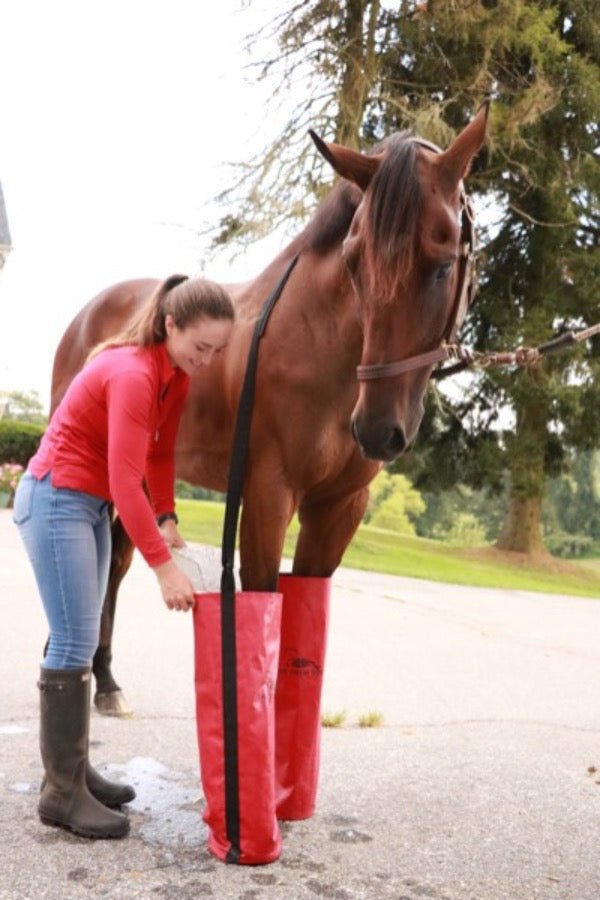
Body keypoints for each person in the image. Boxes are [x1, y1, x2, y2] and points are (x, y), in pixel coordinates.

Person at [12, 274, 234, 839]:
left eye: (217, 351)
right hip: (58, 496)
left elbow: (157, 460)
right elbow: (123, 478)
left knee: (80, 637)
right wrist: (162, 569)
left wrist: (168, 518)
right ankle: (61, 794)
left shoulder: (172, 376)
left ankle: (77, 771)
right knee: (72, 639)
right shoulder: (135, 374)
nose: (206, 360)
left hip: (86, 505)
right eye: (199, 346)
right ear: (170, 324)